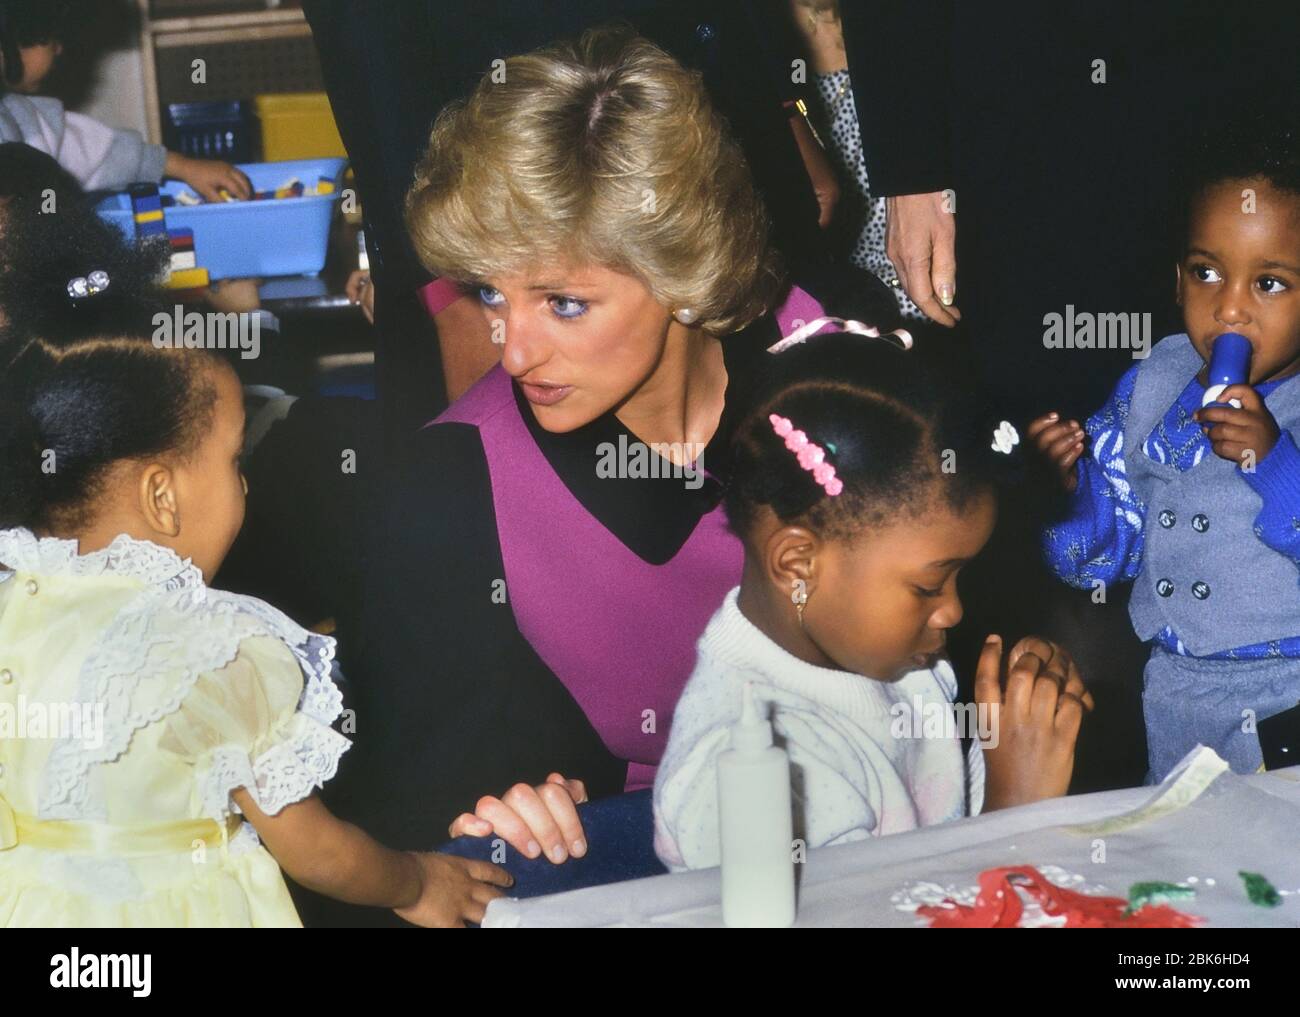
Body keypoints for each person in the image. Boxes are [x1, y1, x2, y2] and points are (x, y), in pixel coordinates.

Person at [0, 200, 511, 926]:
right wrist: (414, 882)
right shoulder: (214, 651)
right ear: (161, 496)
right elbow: (319, 852)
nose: (245, 483)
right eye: (234, 459)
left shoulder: (13, 600)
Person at [654, 332, 1092, 869]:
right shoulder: (744, 765)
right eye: (929, 586)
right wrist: (1017, 812)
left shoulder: (893, 663)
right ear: (798, 564)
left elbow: (944, 824)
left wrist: (1012, 741)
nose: (954, 611)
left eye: (960, 578)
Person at [1031, 114, 1300, 781]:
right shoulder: (1150, 384)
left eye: (1269, 283)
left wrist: (1275, 464)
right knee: (1184, 866)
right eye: (1208, 273)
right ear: (1178, 279)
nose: (1231, 309)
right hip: (1176, 692)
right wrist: (1070, 489)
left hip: (1287, 694)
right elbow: (1096, 562)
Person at [0, 0, 251, 198]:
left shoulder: (23, 117)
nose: (59, 49)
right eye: (51, 38)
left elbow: (93, 151)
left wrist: (184, 167)